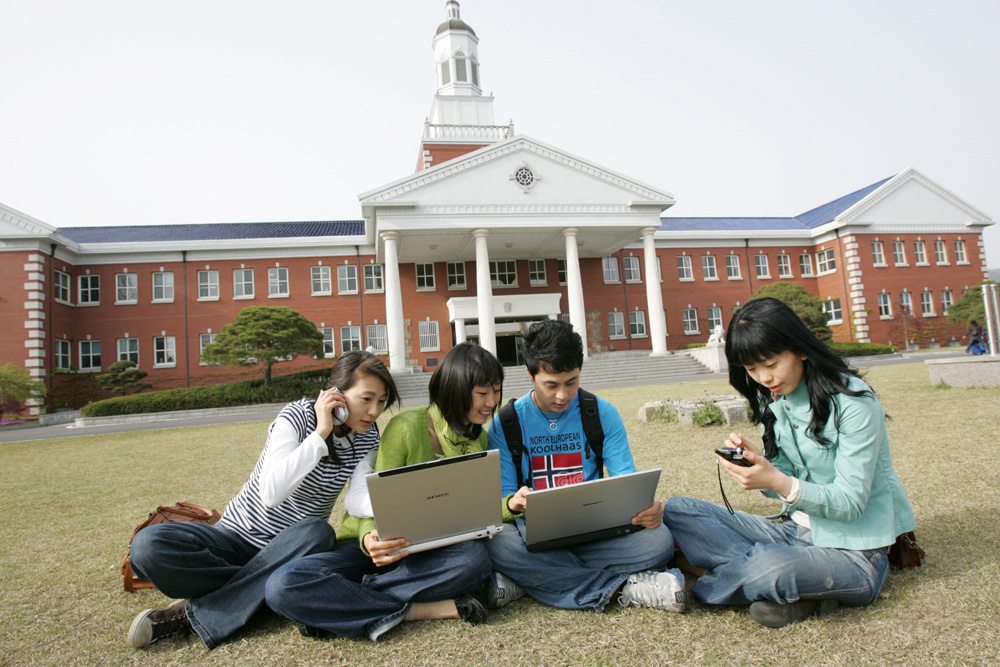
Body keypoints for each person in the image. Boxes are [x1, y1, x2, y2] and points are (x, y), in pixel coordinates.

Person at [663, 298, 917, 628]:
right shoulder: (776, 398)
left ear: (800, 349)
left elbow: (851, 505)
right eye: (752, 370)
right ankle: (797, 590)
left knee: (769, 566)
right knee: (680, 510)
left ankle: (717, 577)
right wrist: (761, 468)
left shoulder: (855, 403)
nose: (764, 378)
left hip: (855, 549)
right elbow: (781, 488)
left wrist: (777, 481)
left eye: (770, 363)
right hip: (795, 531)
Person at [126, 350, 399, 649]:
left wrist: (398, 503)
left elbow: (357, 497)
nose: (374, 411)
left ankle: (192, 614)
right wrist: (321, 433)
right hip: (233, 538)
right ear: (336, 395)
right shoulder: (297, 416)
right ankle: (259, 593)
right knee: (148, 546)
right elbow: (271, 493)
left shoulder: (368, 438)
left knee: (317, 531)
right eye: (367, 398)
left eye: (382, 401)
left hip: (292, 548)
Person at [265, 343, 504, 641]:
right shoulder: (406, 426)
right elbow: (369, 495)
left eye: (496, 391)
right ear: (457, 388)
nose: (492, 401)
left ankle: (342, 604)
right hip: (373, 547)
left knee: (474, 562)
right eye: (483, 393)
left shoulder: (480, 439)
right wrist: (369, 537)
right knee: (283, 585)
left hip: (427, 551)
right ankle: (421, 608)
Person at [484, 319, 686, 613]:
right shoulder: (507, 423)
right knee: (497, 543)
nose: (562, 396)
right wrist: (513, 502)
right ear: (530, 375)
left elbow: (625, 482)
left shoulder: (601, 413)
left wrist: (646, 508)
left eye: (572, 382)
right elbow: (502, 498)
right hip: (534, 538)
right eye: (550, 385)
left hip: (596, 533)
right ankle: (623, 588)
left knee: (659, 541)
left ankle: (530, 578)